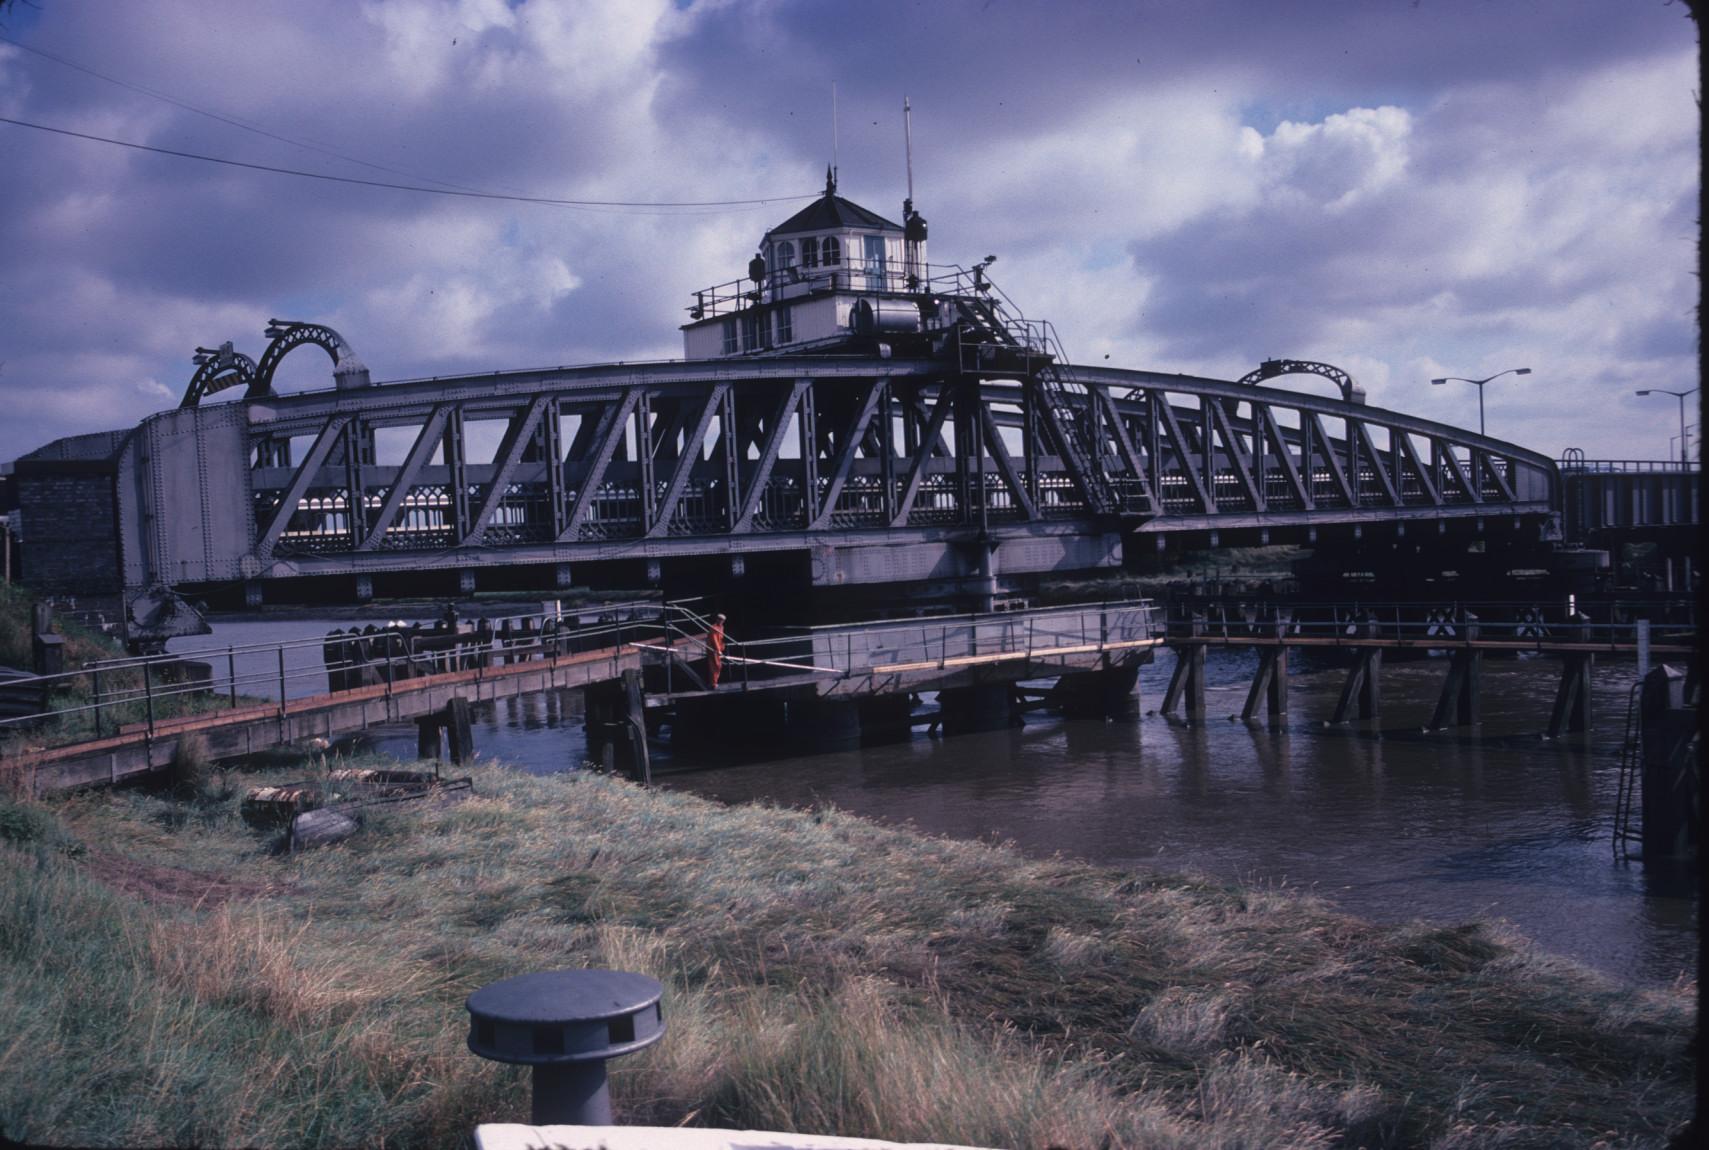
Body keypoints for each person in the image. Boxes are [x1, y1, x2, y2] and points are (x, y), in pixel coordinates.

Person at [706, 613, 727, 688]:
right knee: (715, 666)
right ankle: (713, 684)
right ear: (718, 619)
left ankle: (714, 682)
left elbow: (720, 638)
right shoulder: (713, 628)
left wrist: (722, 647)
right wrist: (718, 650)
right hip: (713, 649)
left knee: (718, 666)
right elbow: (714, 640)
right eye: (721, 620)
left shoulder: (721, 627)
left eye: (723, 621)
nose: (722, 622)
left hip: (717, 649)